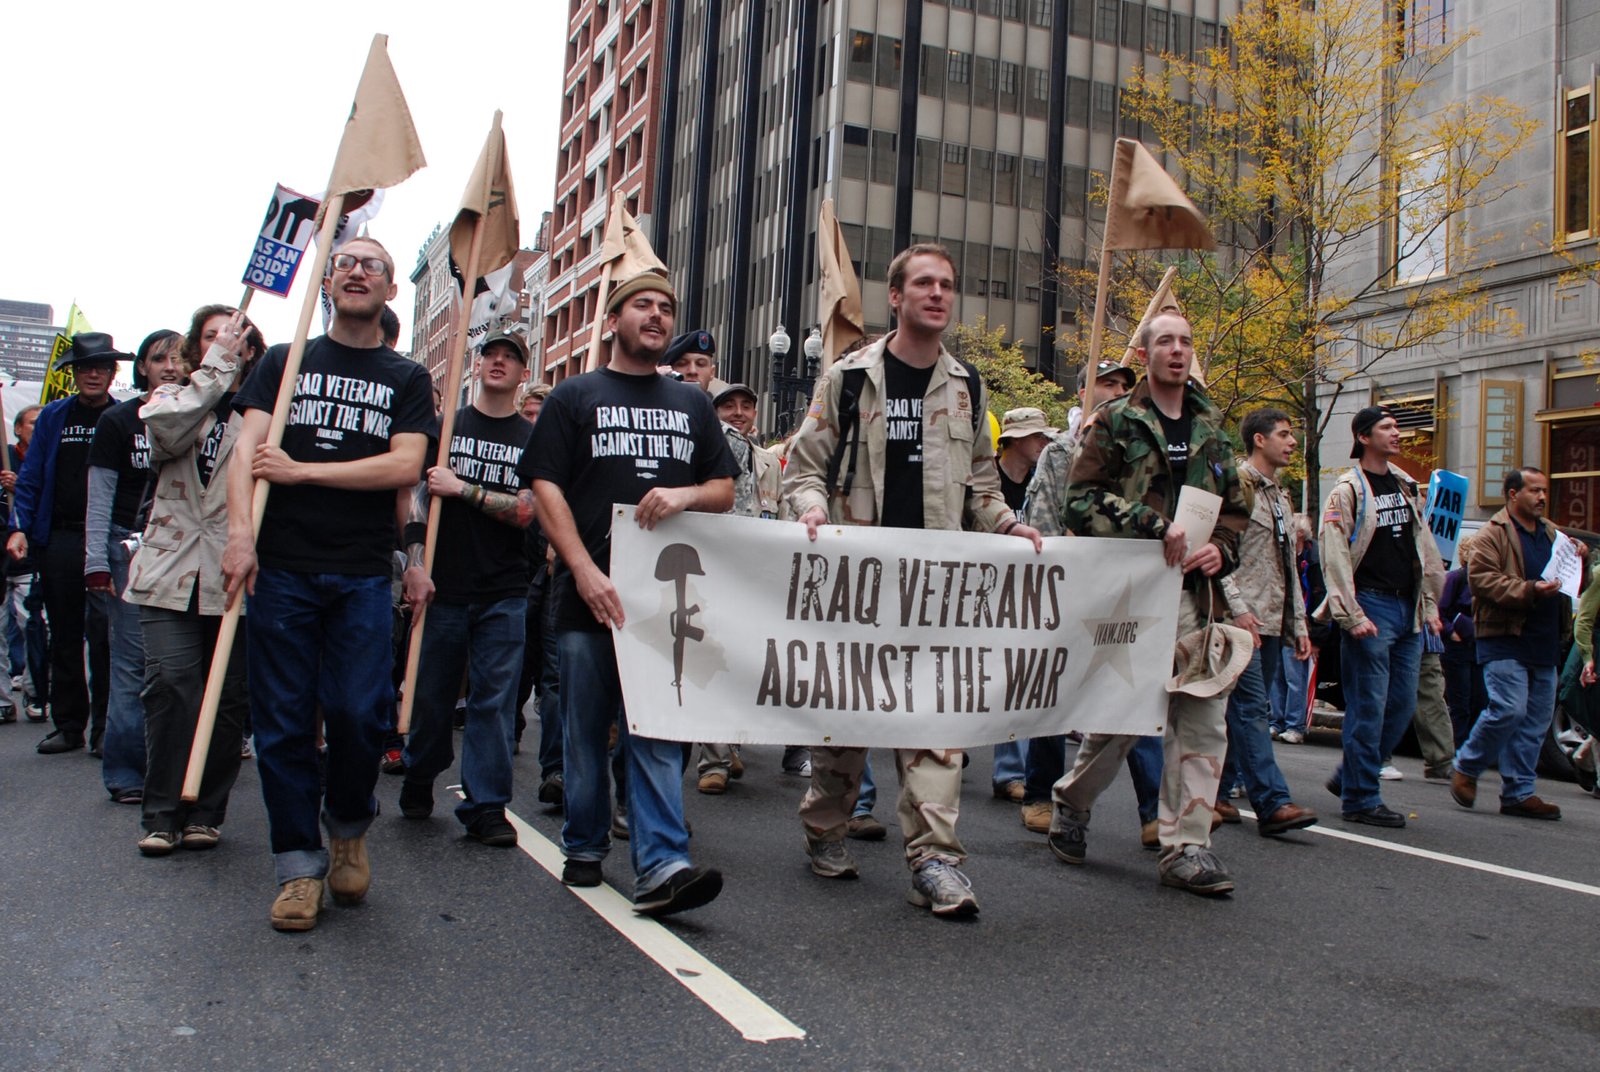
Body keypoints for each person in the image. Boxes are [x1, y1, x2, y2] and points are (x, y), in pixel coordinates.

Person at [785, 242, 1044, 918]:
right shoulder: (848, 379)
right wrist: (811, 506)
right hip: (858, 588)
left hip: (936, 591)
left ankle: (936, 861)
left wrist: (1007, 526)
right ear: (894, 297)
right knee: (845, 727)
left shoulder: (968, 387)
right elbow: (803, 467)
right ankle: (824, 825)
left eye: (947, 285)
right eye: (923, 283)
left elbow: (981, 489)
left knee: (934, 724)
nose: (937, 294)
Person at [223, 237, 435, 931]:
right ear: (326, 281)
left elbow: (403, 466)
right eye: (344, 261)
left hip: (361, 573)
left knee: (358, 712)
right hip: (280, 567)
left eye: (372, 264)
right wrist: (237, 536)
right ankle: (297, 865)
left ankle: (347, 823)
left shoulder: (404, 377)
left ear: (390, 290)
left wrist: (304, 472)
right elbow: (246, 455)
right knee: (282, 723)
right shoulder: (285, 364)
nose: (355, 270)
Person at [529, 270, 735, 916]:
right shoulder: (574, 396)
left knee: (658, 730)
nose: (657, 315)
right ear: (614, 319)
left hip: (664, 603)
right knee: (586, 731)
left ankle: (662, 863)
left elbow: (723, 490)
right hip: (589, 596)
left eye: (666, 307)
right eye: (643, 305)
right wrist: (581, 570)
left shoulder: (693, 405)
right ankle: (584, 845)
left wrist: (686, 492)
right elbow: (544, 486)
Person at [1048, 312, 1250, 896]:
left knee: (1203, 719)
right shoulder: (1116, 421)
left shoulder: (1213, 424)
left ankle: (1187, 846)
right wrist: (1148, 524)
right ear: (1145, 353)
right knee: (1123, 720)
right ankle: (1072, 799)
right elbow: (1079, 503)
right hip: (1134, 593)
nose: (1178, 350)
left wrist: (1223, 551)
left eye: (1187, 341)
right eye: (1166, 341)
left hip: (1193, 597)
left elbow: (1235, 509)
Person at [126, 306, 263, 855]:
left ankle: (206, 810)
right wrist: (215, 370)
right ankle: (161, 812)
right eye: (212, 338)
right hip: (169, 568)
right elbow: (165, 434)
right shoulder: (168, 401)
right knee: (171, 686)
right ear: (195, 351)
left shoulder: (263, 413)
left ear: (253, 351)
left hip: (235, 572)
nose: (225, 344)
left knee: (228, 698)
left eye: (236, 339)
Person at [398, 329, 537, 848]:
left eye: (510, 358)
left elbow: (527, 511)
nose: (499, 362)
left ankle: (486, 805)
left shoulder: (531, 440)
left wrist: (464, 489)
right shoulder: (445, 428)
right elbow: (414, 500)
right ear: (477, 367)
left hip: (504, 590)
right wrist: (414, 565)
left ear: (524, 374)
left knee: (493, 704)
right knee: (432, 699)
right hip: (444, 586)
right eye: (491, 355)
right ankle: (419, 769)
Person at [1020, 358, 1157, 845]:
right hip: (1071, 585)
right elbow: (1043, 518)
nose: (1117, 389)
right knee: (1052, 693)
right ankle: (1040, 793)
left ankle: (1153, 811)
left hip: (1123, 593)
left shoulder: (1139, 448)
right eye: (1106, 382)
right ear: (1082, 392)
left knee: (1133, 694)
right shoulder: (1060, 451)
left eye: (1123, 383)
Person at [1316, 406, 1443, 828]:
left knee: (1403, 705)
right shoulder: (1347, 490)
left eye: (1397, 427)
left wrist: (1429, 605)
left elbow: (1422, 550)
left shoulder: (1407, 485)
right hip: (1370, 606)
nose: (1397, 434)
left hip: (1407, 609)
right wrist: (1350, 613)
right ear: (1364, 437)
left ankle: (1354, 775)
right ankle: (1361, 798)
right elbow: (1333, 555)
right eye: (1387, 428)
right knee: (1368, 706)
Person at [9, 332, 126, 755]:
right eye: (85, 367)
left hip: (108, 539)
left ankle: (103, 729)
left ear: (113, 373)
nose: (93, 374)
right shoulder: (55, 417)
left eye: (101, 367)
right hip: (58, 536)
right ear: (74, 374)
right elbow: (31, 477)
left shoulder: (125, 415)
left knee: (105, 634)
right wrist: (20, 527)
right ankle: (69, 725)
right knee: (63, 633)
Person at [88, 329, 186, 804]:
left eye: (177, 358)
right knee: (130, 665)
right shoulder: (117, 420)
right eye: (158, 358)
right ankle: (126, 771)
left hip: (183, 551)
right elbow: (100, 496)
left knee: (173, 668)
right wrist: (95, 562)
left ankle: (175, 769)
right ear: (141, 367)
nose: (169, 366)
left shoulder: (197, 415)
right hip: (127, 548)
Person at [1215, 407, 1319, 837]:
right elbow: (1218, 551)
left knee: (1243, 713)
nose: (1292, 442)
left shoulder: (1279, 494)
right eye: (1284, 434)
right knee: (1253, 709)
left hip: (1275, 619)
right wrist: (1237, 607)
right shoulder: (1237, 484)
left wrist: (1299, 624)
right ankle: (1272, 802)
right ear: (1259, 440)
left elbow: (1287, 565)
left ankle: (1216, 792)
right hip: (1244, 617)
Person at [1451, 467, 1577, 820]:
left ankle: (1519, 793)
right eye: (1534, 490)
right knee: (1509, 709)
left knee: (1536, 721)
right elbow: (1482, 580)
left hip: (1545, 639)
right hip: (1504, 637)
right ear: (1512, 494)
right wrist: (1530, 589)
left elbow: (1567, 573)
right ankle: (1467, 765)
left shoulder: (1551, 533)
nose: (1541, 497)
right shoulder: (1492, 535)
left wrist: (1576, 553)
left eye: (1544, 491)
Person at [990, 407, 1055, 802]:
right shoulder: (988, 483)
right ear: (1013, 440)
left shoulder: (1040, 483)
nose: (1043, 443)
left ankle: (1012, 771)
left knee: (1020, 677)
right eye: (1036, 437)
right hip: (985, 594)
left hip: (1026, 595)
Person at [1, 405, 44, 725]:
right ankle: (3, 699)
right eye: (32, 423)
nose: (38, 427)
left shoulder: (45, 457)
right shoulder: (5, 456)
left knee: (35, 628)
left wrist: (23, 488)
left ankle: (35, 689)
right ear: (17, 428)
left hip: (28, 558)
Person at [1271, 516, 1320, 744]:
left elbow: (1317, 596)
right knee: (1277, 674)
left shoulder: (1312, 561)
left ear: (1299, 533)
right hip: (1279, 619)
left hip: (1298, 622)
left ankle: (1294, 725)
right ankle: (1275, 720)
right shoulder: (1287, 556)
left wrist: (1316, 634)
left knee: (1294, 676)